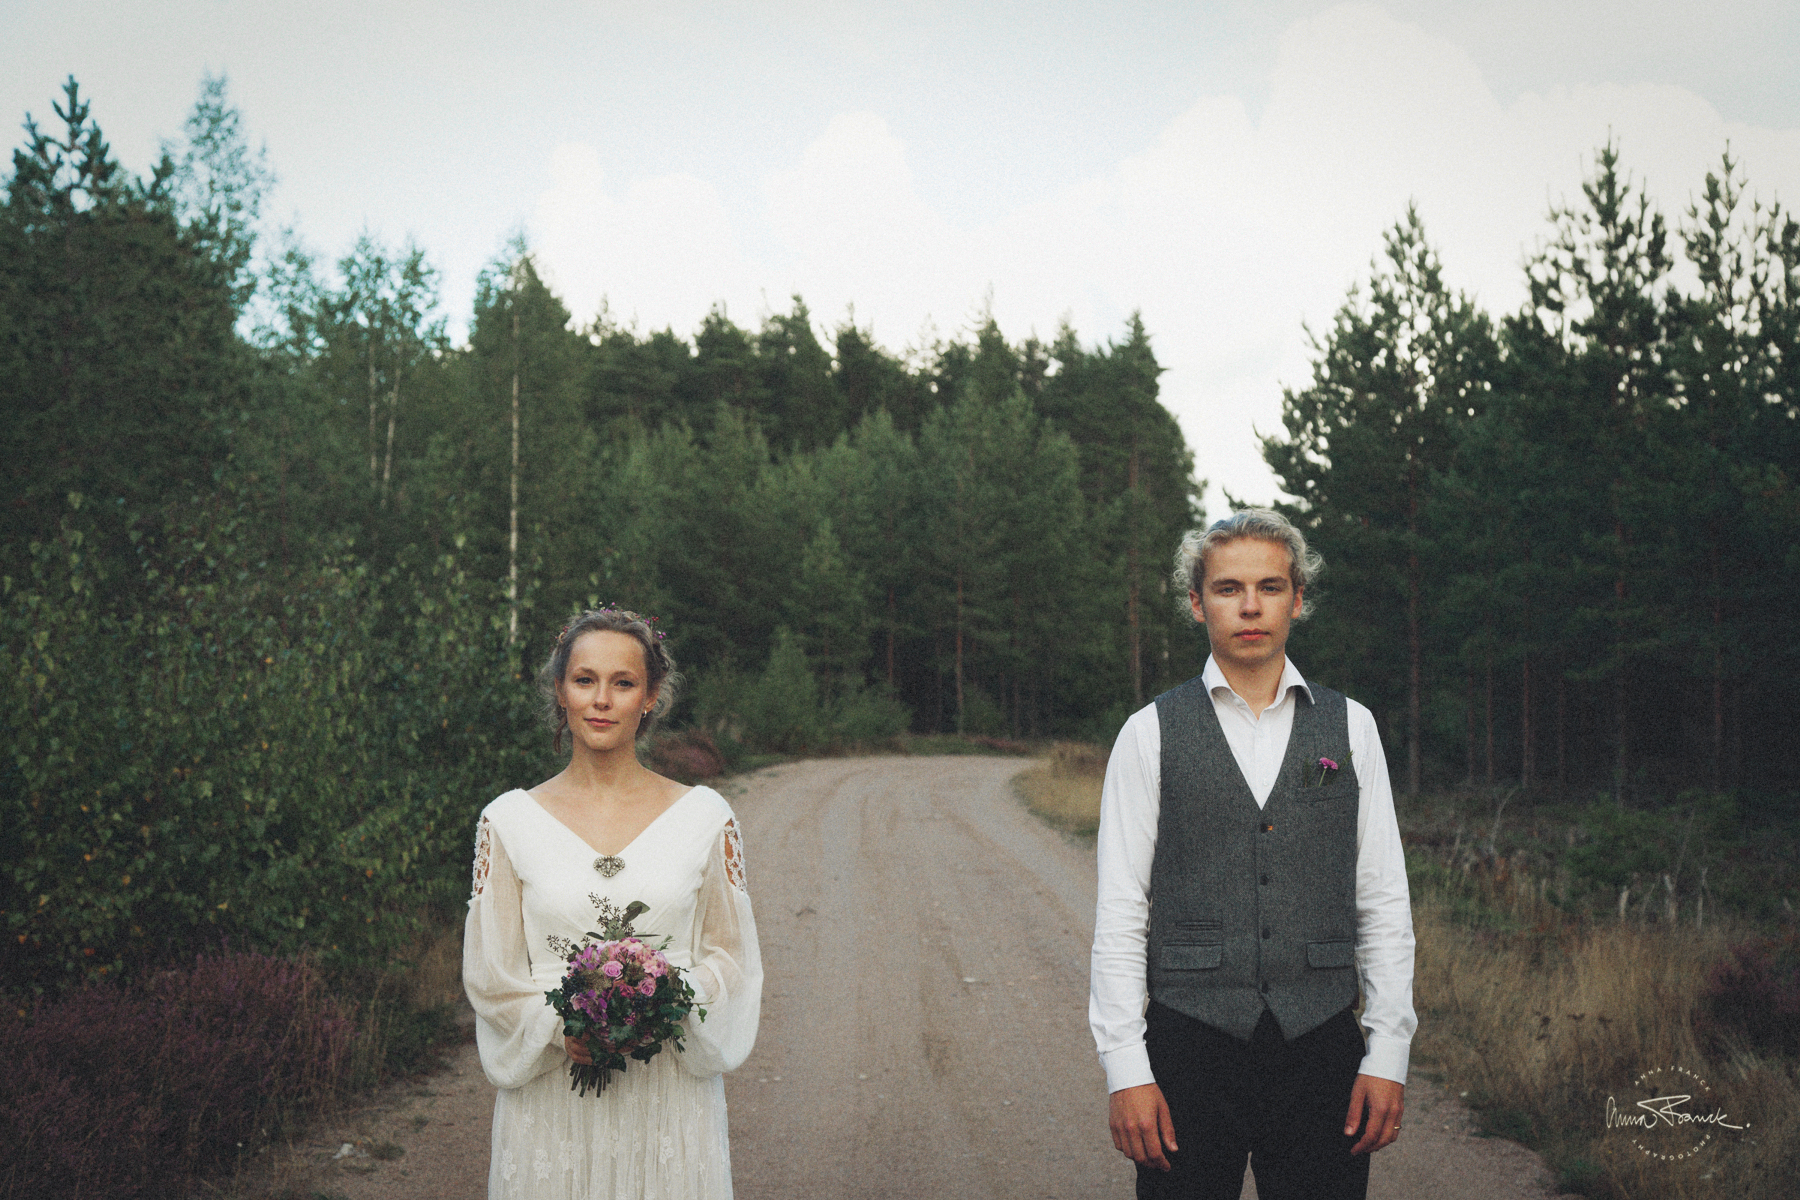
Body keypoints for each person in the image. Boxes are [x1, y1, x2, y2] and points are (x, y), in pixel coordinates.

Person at [1090, 510, 1415, 1200]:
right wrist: (1126, 1067)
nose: (1249, 606)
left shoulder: (1350, 727)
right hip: (1188, 1045)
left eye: (1269, 587)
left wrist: (1389, 1050)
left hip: (1320, 1041)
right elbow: (1121, 909)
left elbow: (1382, 897)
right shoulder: (1149, 734)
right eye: (1227, 588)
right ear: (1196, 602)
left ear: (1297, 599)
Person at [463, 607, 762, 1200]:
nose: (601, 699)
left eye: (623, 683)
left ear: (650, 698)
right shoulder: (508, 821)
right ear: (560, 691)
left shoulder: (705, 818)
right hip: (551, 1100)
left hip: (666, 1093)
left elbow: (731, 958)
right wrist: (559, 1029)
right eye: (584, 680)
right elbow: (491, 974)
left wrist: (662, 1003)